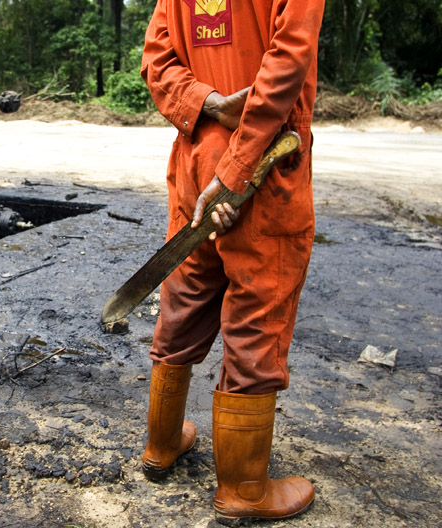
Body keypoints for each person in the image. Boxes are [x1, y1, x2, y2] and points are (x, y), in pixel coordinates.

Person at [138, 0, 324, 523]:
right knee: (256, 316)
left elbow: (157, 60)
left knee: (185, 300)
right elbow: (288, 60)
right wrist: (240, 163)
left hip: (196, 162)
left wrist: (210, 104)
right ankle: (244, 490)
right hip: (265, 166)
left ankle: (163, 445)